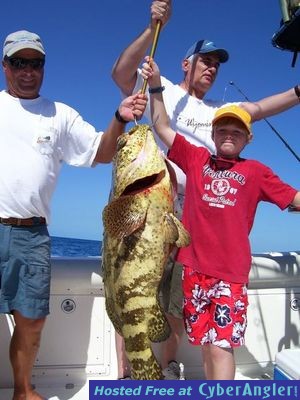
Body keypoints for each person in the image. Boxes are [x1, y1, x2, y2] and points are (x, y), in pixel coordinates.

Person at [111, 0, 300, 380]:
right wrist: (152, 28)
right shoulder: (159, 86)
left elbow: (261, 107)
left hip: (197, 216)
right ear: (186, 63)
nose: (211, 68)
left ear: (242, 137)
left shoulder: (222, 111)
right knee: (131, 285)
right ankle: (126, 374)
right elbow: (123, 73)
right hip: (148, 205)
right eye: (205, 60)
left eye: (217, 63)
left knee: (175, 302)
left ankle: (163, 368)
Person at [0, 30, 147, 400]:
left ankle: (22, 390)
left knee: (32, 321)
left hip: (32, 234)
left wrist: (120, 116)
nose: (28, 70)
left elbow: (102, 152)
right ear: (5, 67)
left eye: (35, 63)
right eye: (19, 62)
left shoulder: (59, 114)